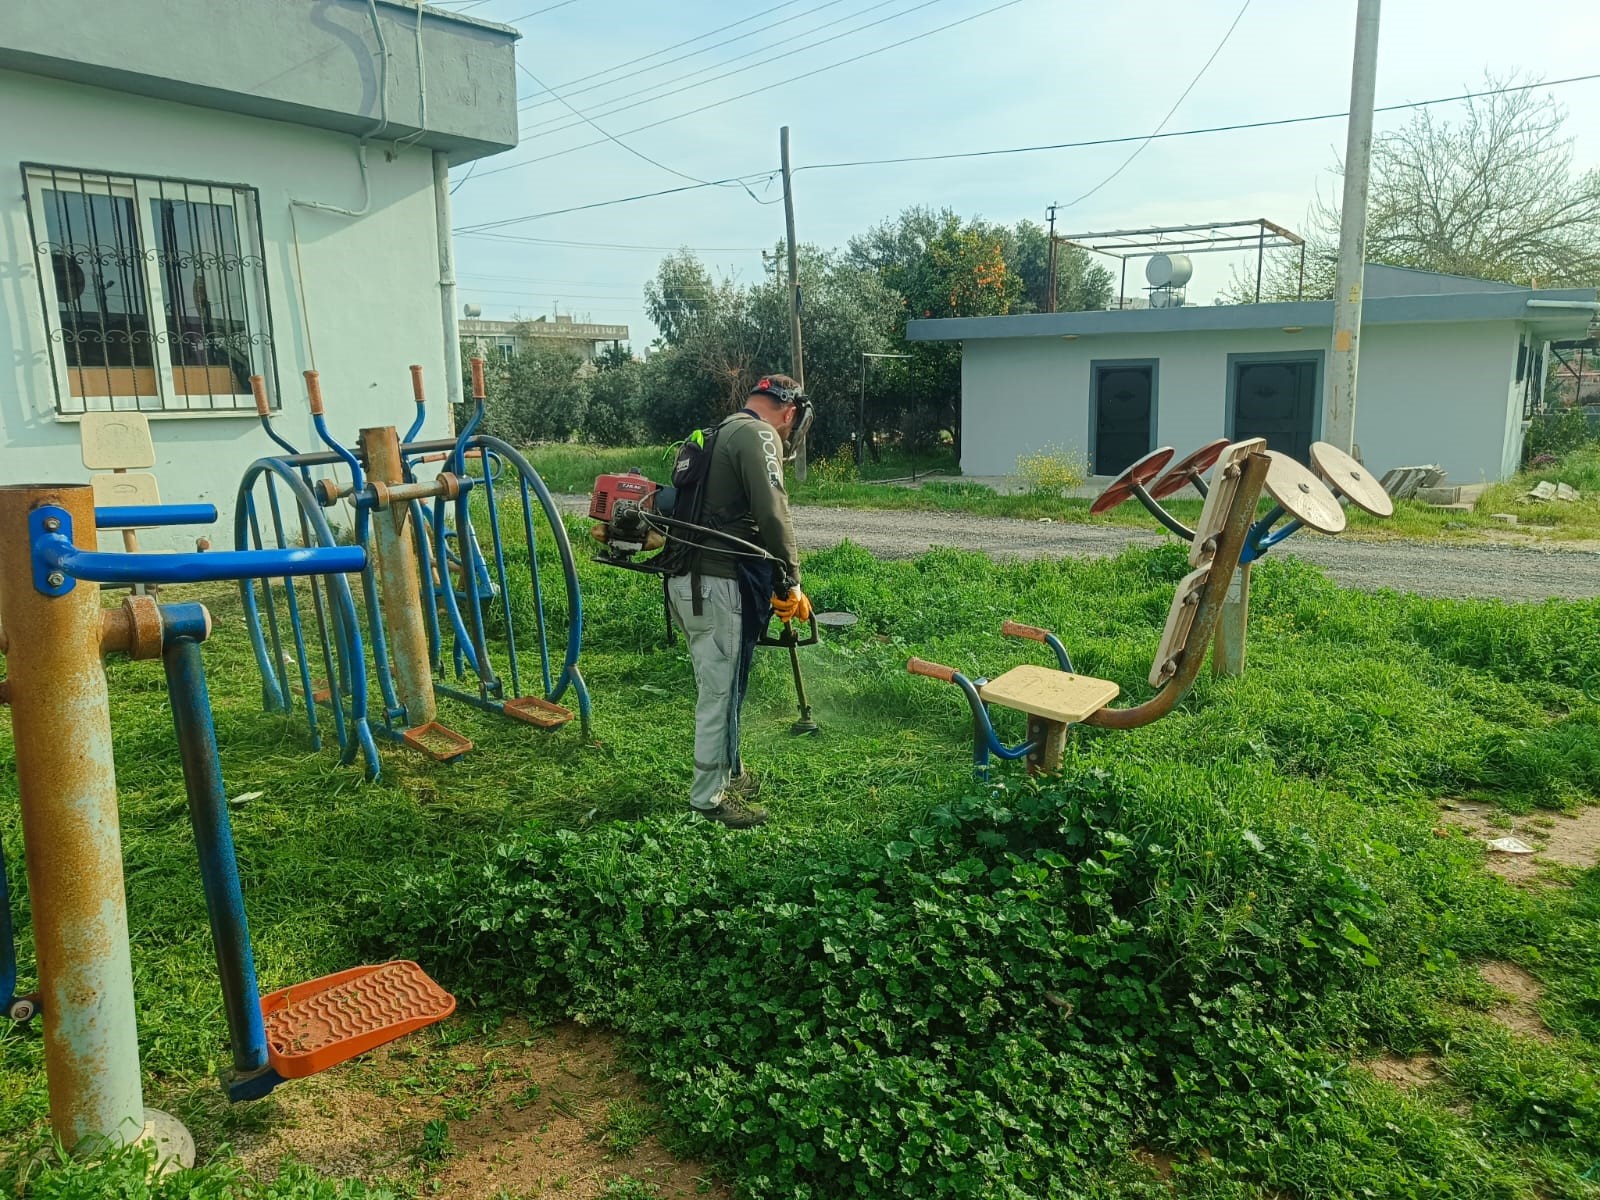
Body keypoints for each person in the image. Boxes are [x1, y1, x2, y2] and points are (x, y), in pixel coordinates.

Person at [667, 375, 813, 828]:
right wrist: (792, 579)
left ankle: (729, 769)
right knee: (719, 692)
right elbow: (773, 510)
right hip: (717, 583)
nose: (788, 433)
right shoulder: (759, 434)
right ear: (789, 413)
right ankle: (707, 800)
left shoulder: (719, 432)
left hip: (691, 581)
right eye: (791, 425)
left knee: (724, 686)